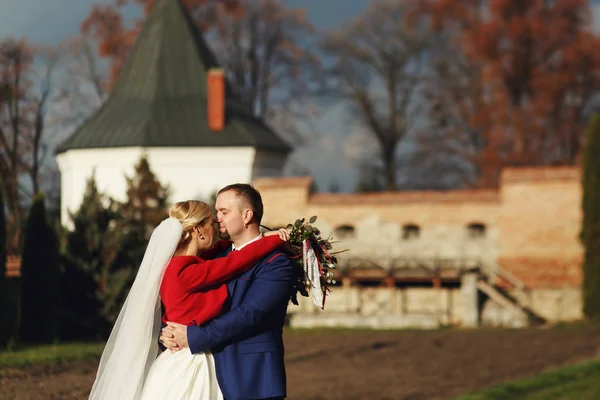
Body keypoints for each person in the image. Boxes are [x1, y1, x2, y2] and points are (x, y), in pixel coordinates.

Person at [88, 199, 290, 400]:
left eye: (222, 213)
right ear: (199, 231)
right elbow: (235, 262)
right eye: (211, 222)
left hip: (181, 358)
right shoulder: (185, 270)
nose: (217, 224)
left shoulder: (179, 264)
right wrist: (273, 240)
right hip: (192, 360)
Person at [160, 184, 296, 400]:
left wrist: (193, 336)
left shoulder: (276, 263)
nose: (216, 219)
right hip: (202, 372)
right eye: (216, 212)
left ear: (247, 215)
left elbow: (250, 313)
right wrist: (168, 332)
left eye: (224, 212)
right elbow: (183, 303)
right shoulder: (211, 259)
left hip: (251, 377)